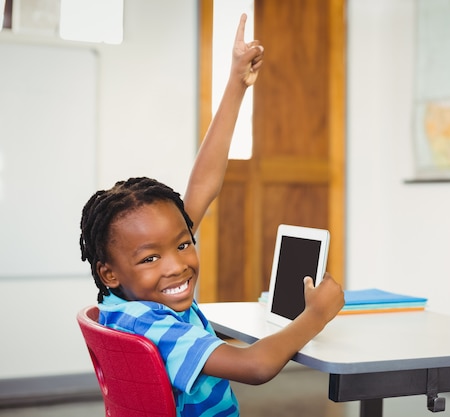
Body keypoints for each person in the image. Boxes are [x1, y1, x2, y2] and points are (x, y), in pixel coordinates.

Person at [79, 14, 345, 417]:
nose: (176, 266)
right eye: (150, 258)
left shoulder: (127, 305)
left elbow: (203, 186)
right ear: (109, 272)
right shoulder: (154, 326)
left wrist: (237, 83)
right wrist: (316, 315)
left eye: (183, 243)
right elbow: (255, 367)